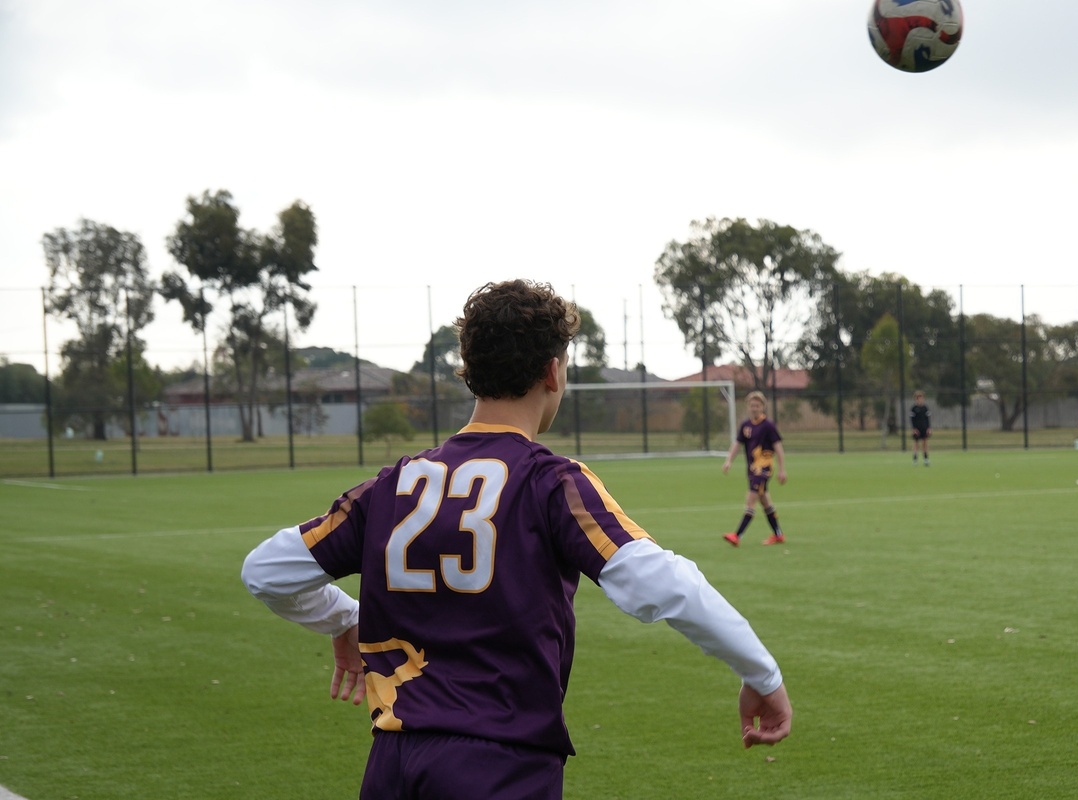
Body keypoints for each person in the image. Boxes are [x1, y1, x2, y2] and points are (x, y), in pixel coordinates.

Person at [241, 280, 791, 798]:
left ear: (471, 372)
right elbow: (666, 583)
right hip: (500, 767)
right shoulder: (550, 482)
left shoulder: (389, 487)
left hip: (392, 765)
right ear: (553, 372)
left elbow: (265, 572)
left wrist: (342, 617)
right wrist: (760, 673)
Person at [722, 391, 787, 546]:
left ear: (763, 407)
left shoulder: (768, 426)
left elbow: (778, 448)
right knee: (765, 502)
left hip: (763, 470)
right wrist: (729, 460)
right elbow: (737, 444)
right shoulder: (746, 425)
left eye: (757, 405)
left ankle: (737, 535)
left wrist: (782, 469)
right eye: (752, 405)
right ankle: (778, 534)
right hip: (752, 469)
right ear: (748, 407)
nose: (754, 408)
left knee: (751, 500)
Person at [909, 390, 931, 466]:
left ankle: (926, 459)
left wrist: (928, 428)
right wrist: (914, 429)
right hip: (917, 429)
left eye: (922, 398)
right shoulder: (914, 408)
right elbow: (912, 420)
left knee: (925, 443)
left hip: (924, 428)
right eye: (919, 398)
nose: (921, 399)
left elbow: (928, 419)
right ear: (916, 399)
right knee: (916, 444)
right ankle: (915, 460)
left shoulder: (925, 408)